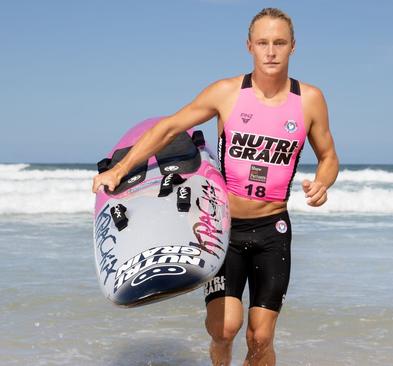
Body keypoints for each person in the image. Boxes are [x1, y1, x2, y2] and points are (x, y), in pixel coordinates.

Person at [92, 7, 338, 366]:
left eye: (279, 43)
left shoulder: (310, 100)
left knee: (261, 336)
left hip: (273, 229)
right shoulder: (227, 92)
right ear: (249, 46)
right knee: (224, 330)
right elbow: (168, 128)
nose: (271, 51)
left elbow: (329, 155)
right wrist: (122, 169)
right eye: (263, 43)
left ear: (293, 47)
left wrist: (322, 182)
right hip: (221, 228)